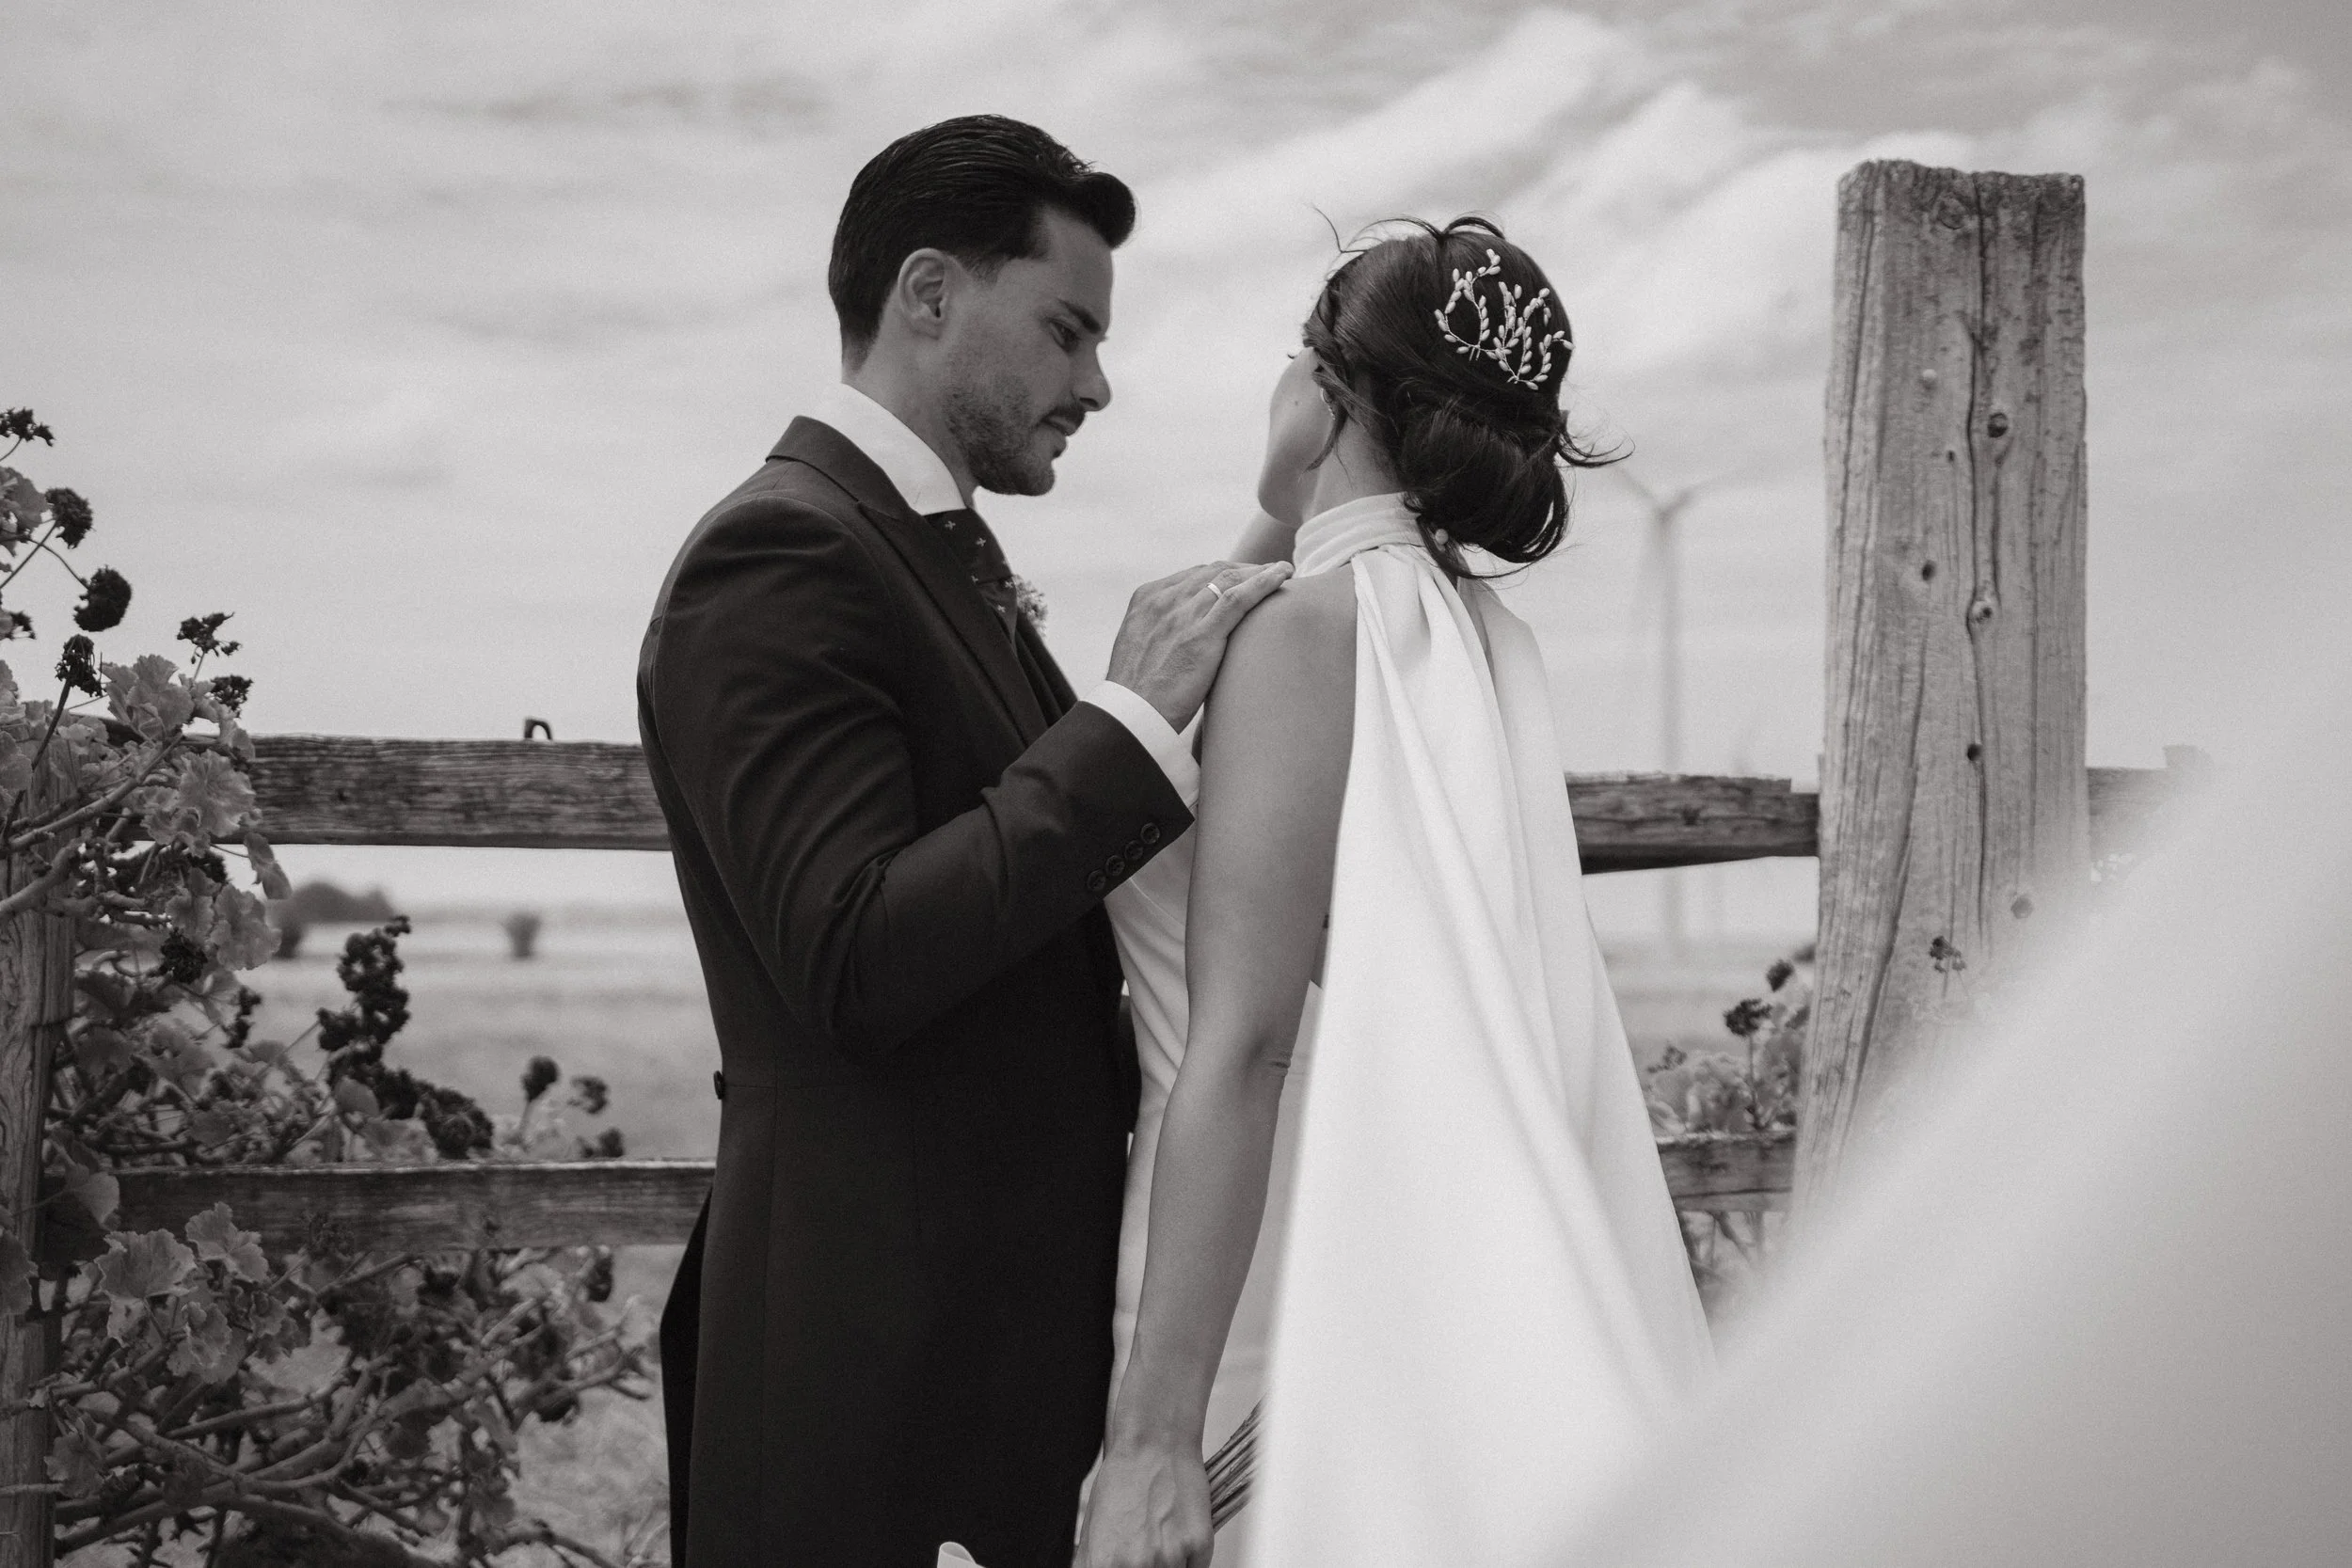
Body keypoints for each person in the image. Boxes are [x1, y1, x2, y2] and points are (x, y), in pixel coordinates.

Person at [636, 115, 1291, 1568]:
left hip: (988, 1340)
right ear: (930, 294)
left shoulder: (926, 547)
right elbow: (856, 952)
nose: (1097, 384)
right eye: (1067, 332)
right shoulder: (781, 554)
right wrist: (1124, 719)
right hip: (866, 1356)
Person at [1077, 218, 1715, 1568]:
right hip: (1362, 1232)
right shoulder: (1470, 638)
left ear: (1322, 388)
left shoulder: (1303, 641)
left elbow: (1245, 1047)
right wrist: (1290, 481)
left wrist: (1150, 1438)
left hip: (1250, 1276)